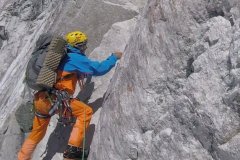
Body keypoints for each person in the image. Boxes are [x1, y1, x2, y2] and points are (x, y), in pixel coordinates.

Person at [18, 31, 123, 160]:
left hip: (41, 99)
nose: (85, 48)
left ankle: (22, 158)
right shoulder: (75, 57)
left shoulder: (59, 56)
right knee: (85, 112)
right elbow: (99, 69)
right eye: (84, 45)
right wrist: (113, 57)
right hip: (56, 101)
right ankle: (71, 157)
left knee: (36, 133)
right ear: (80, 45)